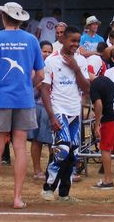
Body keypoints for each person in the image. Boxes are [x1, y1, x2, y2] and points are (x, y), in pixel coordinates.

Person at [0, 1, 45, 209]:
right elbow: (40, 74)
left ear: (3, 17)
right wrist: (27, 85)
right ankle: (17, 198)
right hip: (24, 99)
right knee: (20, 148)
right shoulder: (32, 40)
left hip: (0, 99)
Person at [39, 26, 90, 203]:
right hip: (59, 110)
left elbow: (86, 88)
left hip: (75, 113)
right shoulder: (51, 61)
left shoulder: (81, 61)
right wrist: (52, 116)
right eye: (72, 41)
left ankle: (64, 193)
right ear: (63, 40)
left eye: (78, 41)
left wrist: (76, 68)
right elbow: (44, 90)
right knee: (62, 149)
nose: (75, 44)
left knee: (73, 153)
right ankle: (48, 187)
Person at [90, 47, 114, 191]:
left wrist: (97, 122)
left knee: (105, 149)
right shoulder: (108, 81)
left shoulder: (95, 84)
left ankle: (108, 180)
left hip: (108, 119)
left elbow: (98, 104)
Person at [28, 40, 54, 180]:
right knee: (36, 140)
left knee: (52, 141)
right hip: (38, 106)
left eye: (50, 51)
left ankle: (51, 168)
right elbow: (39, 86)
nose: (47, 54)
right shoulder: (34, 67)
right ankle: (37, 169)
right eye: (44, 51)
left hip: (52, 106)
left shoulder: (54, 65)